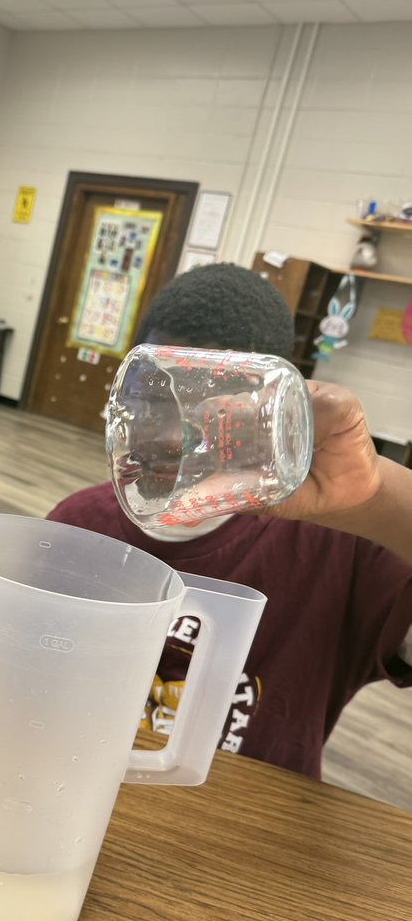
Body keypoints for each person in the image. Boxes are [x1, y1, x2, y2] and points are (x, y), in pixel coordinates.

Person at [48, 264, 412, 780]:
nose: (171, 436)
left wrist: (375, 497)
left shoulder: (344, 549)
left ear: (269, 410)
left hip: (249, 818)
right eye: (154, 399)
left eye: (212, 412)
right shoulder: (75, 526)